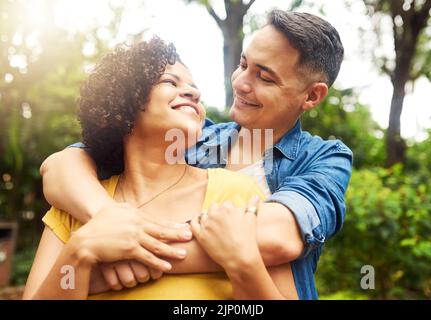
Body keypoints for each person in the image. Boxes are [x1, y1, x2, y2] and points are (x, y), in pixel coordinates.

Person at [38, 10, 353, 299]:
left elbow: (277, 238)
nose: (241, 82)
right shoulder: (190, 139)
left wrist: (109, 265)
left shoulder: (324, 158)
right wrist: (107, 221)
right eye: (243, 64)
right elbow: (62, 165)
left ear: (312, 95)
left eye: (265, 77)